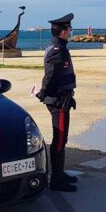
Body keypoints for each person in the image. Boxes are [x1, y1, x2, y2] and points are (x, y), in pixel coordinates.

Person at [36, 13, 78, 192]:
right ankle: (56, 180)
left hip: (64, 98)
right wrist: (43, 93)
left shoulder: (61, 47)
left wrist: (70, 94)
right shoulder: (56, 50)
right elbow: (51, 75)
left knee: (62, 138)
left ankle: (60, 174)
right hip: (58, 101)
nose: (70, 31)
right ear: (62, 31)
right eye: (69, 29)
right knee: (59, 139)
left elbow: (62, 76)